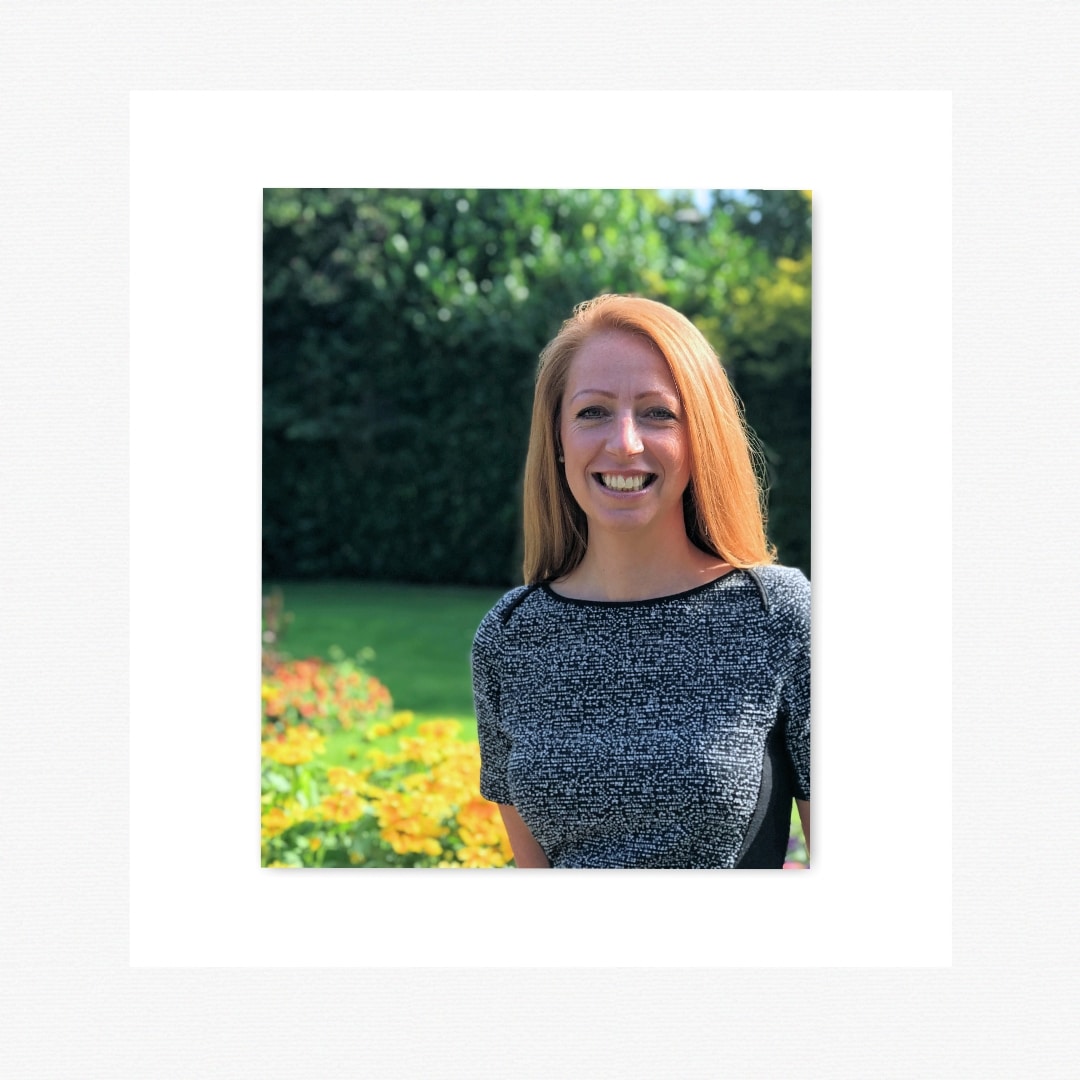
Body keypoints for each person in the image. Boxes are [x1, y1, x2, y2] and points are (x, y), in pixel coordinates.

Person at [471, 294, 810, 869]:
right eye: (592, 412)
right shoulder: (510, 636)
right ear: (557, 439)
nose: (625, 442)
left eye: (658, 413)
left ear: (700, 437)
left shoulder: (778, 614)